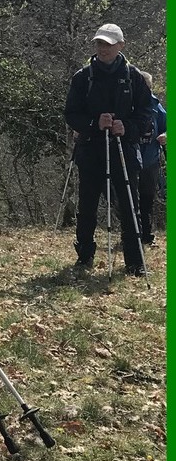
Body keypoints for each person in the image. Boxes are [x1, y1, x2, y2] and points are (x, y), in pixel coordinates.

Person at [64, 23, 152, 275]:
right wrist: (94, 123)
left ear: (120, 45)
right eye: (99, 43)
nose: (103, 48)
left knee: (129, 206)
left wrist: (127, 127)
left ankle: (135, 262)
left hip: (124, 148)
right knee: (87, 205)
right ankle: (84, 257)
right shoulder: (82, 77)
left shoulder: (134, 76)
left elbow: (146, 113)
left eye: (108, 44)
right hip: (91, 149)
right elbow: (71, 114)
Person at [136, 71, 166, 246]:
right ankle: (132, 235)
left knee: (147, 198)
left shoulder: (156, 106)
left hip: (150, 159)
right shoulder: (127, 104)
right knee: (129, 199)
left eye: (147, 86)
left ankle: (147, 236)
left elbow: (166, 127)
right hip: (130, 159)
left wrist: (165, 136)